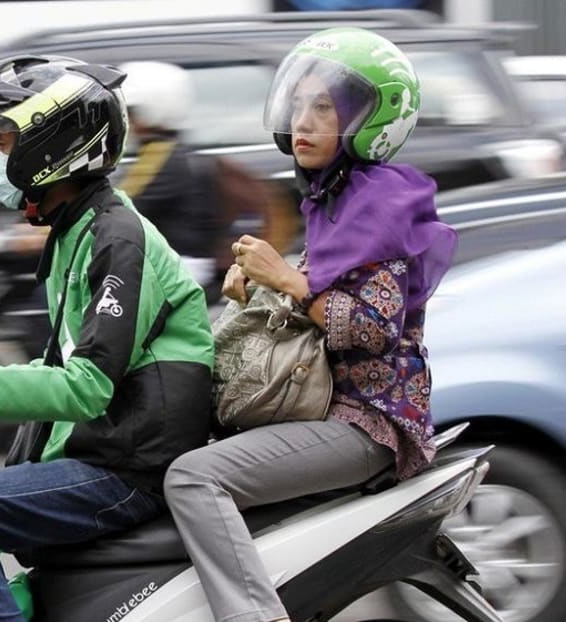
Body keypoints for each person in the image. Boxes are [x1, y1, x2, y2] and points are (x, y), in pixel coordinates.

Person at [0, 54, 214, 622]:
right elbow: (60, 356)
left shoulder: (118, 239)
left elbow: (89, 387)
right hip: (100, 448)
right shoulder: (74, 231)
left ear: (54, 146)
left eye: (5, 141)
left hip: (129, 467)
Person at [163, 27, 457, 622]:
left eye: (324, 107)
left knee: (193, 478)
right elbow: (325, 284)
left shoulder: (380, 203)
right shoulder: (338, 197)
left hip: (364, 421)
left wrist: (288, 281)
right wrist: (261, 284)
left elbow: (372, 326)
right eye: (298, 105)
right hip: (326, 407)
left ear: (366, 117)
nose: (304, 120)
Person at [115, 60, 222, 298]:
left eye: (131, 113)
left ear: (150, 110)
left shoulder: (160, 157)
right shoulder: (172, 151)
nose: (127, 122)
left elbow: (121, 208)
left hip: (178, 268)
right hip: (175, 262)